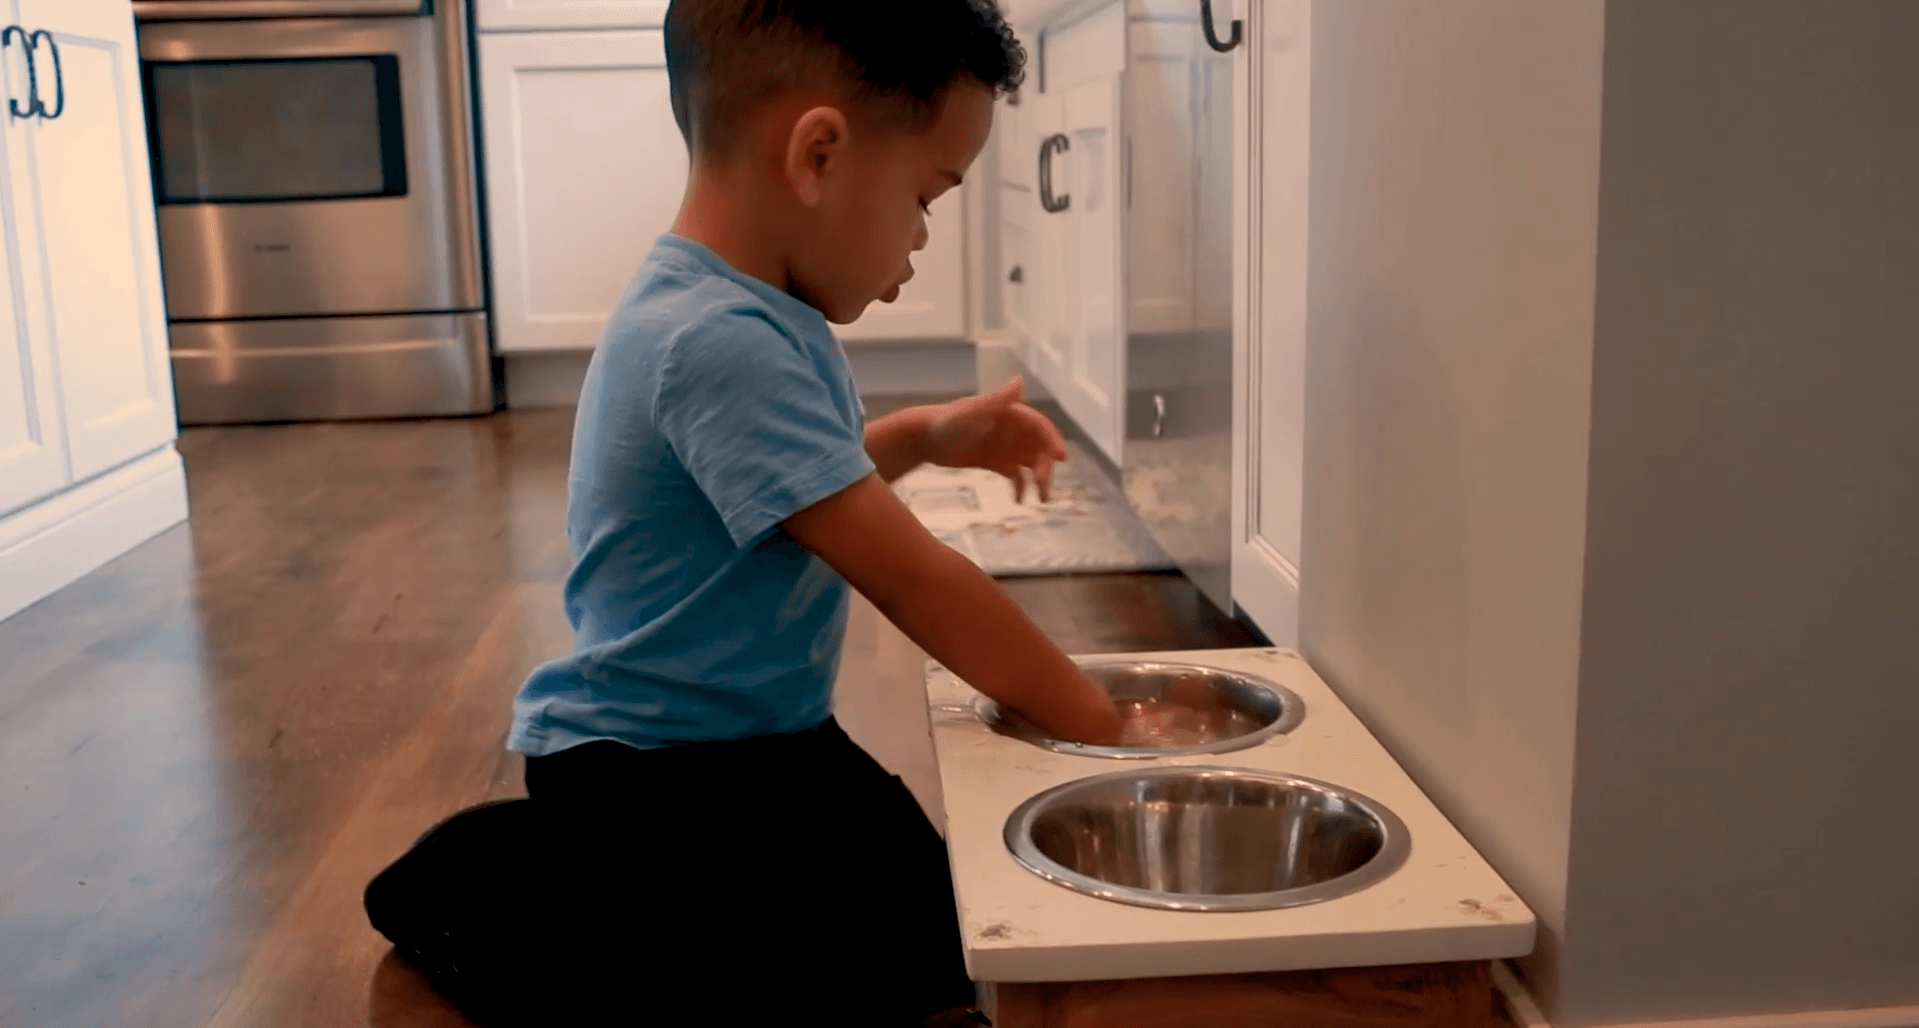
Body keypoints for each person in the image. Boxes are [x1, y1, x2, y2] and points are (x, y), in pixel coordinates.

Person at [364, 1, 1122, 1024]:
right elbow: (913, 576)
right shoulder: (716, 340)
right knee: (769, 964)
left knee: (917, 919)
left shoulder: (738, 307)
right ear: (818, 154)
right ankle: (490, 914)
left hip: (753, 738)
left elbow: (801, 486)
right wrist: (1100, 720)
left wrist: (925, 435)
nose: (921, 235)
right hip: (657, 774)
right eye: (924, 195)